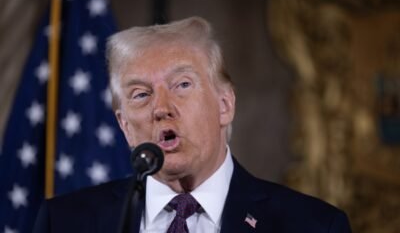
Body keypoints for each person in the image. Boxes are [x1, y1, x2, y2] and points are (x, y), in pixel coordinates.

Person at [33, 16, 351, 233]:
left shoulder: (313, 226)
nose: (161, 108)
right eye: (141, 94)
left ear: (224, 105)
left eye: (182, 85)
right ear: (125, 126)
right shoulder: (64, 223)